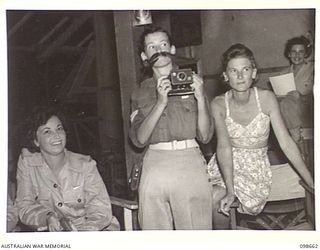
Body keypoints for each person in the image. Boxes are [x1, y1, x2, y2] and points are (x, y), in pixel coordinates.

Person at [207, 43, 314, 229]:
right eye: (233, 71)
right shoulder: (218, 104)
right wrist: (230, 191)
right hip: (225, 167)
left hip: (255, 170)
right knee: (214, 198)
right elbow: (223, 147)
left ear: (254, 73)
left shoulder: (266, 98)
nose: (240, 76)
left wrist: (311, 182)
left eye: (245, 69)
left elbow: (286, 143)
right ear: (225, 76)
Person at [129, 26, 214, 230]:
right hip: (155, 164)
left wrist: (200, 97)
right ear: (144, 55)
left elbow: (205, 136)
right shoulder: (140, 92)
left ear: (173, 49)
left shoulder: (194, 83)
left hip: (189, 161)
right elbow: (139, 140)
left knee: (196, 230)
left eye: (163, 44)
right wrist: (160, 102)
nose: (159, 50)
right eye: (152, 46)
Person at [15, 105, 119, 232]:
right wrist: (47, 217)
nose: (57, 136)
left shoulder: (86, 165)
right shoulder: (28, 163)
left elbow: (100, 209)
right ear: (36, 141)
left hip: (94, 230)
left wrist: (83, 233)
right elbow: (24, 206)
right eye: (47, 131)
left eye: (59, 129)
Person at [278, 35, 314, 143]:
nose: (297, 55)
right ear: (289, 54)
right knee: (282, 102)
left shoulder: (313, 69)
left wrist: (300, 95)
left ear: (306, 54)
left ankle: (295, 139)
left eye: (301, 52)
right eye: (294, 52)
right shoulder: (283, 73)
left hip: (308, 108)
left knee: (287, 103)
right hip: (289, 108)